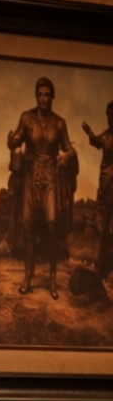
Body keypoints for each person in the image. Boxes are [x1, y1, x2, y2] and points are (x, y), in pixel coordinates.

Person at [8, 76, 78, 298]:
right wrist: (12, 142)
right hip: (31, 176)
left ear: (52, 97)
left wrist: (68, 156)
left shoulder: (59, 123)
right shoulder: (27, 118)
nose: (44, 98)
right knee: (28, 227)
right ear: (36, 96)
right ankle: (28, 279)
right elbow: (16, 140)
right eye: (40, 94)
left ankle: (53, 281)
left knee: (51, 226)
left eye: (48, 95)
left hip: (51, 178)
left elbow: (68, 148)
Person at [84, 100, 113, 279]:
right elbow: (95, 141)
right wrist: (89, 133)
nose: (110, 119)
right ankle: (102, 269)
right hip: (107, 187)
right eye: (108, 116)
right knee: (104, 229)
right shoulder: (106, 136)